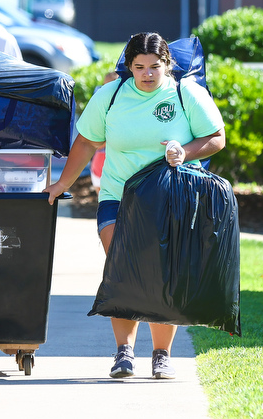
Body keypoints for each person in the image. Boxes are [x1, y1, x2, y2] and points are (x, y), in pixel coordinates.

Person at [44, 32, 226, 379]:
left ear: (167, 65)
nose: (147, 74)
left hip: (170, 197)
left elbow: (217, 137)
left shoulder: (186, 94)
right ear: (128, 67)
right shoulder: (111, 96)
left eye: (154, 67)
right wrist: (62, 183)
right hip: (118, 195)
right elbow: (86, 142)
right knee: (122, 267)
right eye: (139, 67)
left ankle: (162, 355)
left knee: (162, 273)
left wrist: (184, 151)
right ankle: (124, 353)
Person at [90, 71, 119, 194]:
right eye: (104, 85)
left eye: (111, 85)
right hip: (100, 160)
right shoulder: (100, 106)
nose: (106, 89)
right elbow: (95, 142)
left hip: (115, 164)